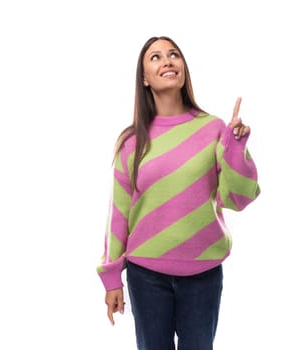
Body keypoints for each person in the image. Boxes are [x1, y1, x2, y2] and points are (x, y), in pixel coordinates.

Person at [96, 35, 261, 350]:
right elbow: (118, 215)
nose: (168, 60)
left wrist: (236, 145)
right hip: (146, 275)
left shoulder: (214, 130)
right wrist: (112, 277)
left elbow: (237, 198)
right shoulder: (132, 142)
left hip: (204, 273)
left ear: (183, 68)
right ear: (144, 78)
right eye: (155, 57)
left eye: (174, 54)